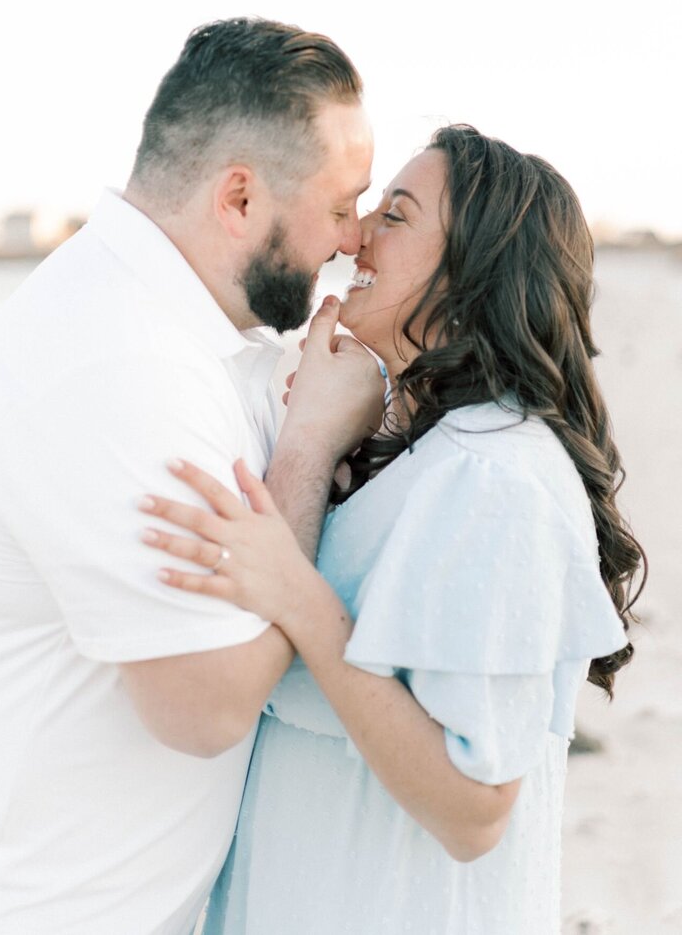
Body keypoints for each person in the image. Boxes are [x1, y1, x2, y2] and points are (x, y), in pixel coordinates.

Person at [0, 18, 382, 933]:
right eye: (344, 202)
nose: (354, 238)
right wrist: (306, 451)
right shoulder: (114, 363)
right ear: (238, 198)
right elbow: (208, 703)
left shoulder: (193, 330)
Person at [137, 124, 646, 934]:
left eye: (398, 215)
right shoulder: (421, 456)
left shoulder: (495, 475)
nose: (357, 233)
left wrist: (303, 600)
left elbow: (474, 806)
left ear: (473, 271)